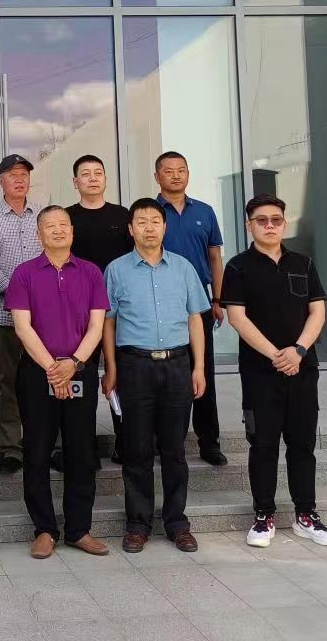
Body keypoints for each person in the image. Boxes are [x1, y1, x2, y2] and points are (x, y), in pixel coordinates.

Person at [221, 194, 327, 549]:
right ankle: (264, 516)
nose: (269, 225)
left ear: (284, 223)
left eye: (276, 219)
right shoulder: (238, 267)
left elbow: (317, 312)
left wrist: (299, 350)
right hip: (260, 372)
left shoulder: (303, 263)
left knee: (303, 444)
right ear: (249, 226)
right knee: (263, 445)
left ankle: (306, 515)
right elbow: (237, 317)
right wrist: (276, 355)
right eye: (262, 220)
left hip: (303, 368)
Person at [102, 199, 209, 554]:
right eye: (141, 222)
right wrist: (111, 368)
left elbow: (195, 319)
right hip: (134, 365)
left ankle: (177, 522)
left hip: (177, 364)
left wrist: (198, 367)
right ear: (130, 229)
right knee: (137, 448)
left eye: (155, 221)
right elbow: (108, 322)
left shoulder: (183, 268)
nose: (149, 227)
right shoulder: (116, 270)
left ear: (165, 227)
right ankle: (138, 524)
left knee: (175, 448)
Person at [6, 205, 109, 559]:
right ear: (39, 235)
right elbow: (22, 327)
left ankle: (79, 529)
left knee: (81, 451)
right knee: (36, 451)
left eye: (64, 224)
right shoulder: (24, 273)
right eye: (50, 226)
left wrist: (74, 363)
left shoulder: (91, 272)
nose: (58, 230)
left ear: (72, 231)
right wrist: (53, 368)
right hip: (38, 373)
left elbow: (97, 326)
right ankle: (44, 529)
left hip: (80, 369)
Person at [154, 151, 228, 466]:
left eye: (181, 170)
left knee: (202, 369)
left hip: (199, 303)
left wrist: (218, 299)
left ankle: (209, 442)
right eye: (169, 171)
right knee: (167, 375)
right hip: (162, 303)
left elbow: (215, 258)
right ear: (157, 176)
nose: (176, 175)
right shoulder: (150, 213)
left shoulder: (205, 212)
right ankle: (166, 443)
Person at [63, 153, 132, 467]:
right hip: (79, 311)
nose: (92, 178)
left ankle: (125, 443)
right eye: (86, 174)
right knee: (83, 377)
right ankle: (83, 448)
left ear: (105, 178)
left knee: (123, 376)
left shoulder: (122, 215)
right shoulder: (67, 218)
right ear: (75, 181)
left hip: (119, 310)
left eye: (98, 173)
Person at [0, 154, 42, 476]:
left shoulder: (43, 214)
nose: (19, 179)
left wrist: (36, 297)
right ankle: (11, 448)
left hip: (42, 317)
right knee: (8, 383)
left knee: (44, 380)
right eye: (12, 174)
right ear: (0, 181)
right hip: (5, 316)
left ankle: (43, 442)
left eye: (24, 174)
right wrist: (17, 295)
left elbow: (54, 255)